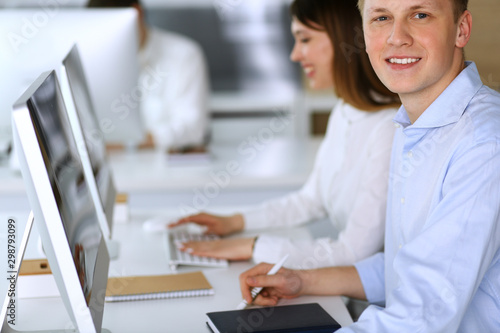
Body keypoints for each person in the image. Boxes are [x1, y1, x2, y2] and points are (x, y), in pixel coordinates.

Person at [239, 0, 500, 331]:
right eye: (381, 18)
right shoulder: (410, 125)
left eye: (420, 15)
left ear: (461, 29)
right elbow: (401, 266)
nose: (396, 37)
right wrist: (301, 281)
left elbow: (422, 315)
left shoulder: (485, 144)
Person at [170, 0, 400, 269]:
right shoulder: (345, 110)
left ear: (344, 40)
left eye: (304, 39)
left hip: (372, 303)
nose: (295, 55)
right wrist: (235, 222)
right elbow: (310, 200)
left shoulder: (389, 128)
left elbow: (354, 253)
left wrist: (253, 246)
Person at [87, 0, 210, 150]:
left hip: (165, 169)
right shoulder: (93, 63)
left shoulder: (184, 55)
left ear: (136, 14)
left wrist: (126, 144)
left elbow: (193, 128)